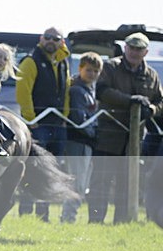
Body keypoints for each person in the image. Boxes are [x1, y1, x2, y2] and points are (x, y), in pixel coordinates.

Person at [88, 32, 163, 224]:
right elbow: (102, 92)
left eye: (139, 49)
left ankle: (122, 222)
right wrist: (130, 101)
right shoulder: (111, 67)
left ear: (145, 52)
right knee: (101, 180)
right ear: (125, 48)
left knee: (128, 183)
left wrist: (152, 109)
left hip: (135, 140)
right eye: (131, 48)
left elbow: (160, 100)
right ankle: (95, 221)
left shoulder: (152, 75)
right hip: (109, 135)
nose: (134, 52)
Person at [16, 27, 71, 221]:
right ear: (41, 39)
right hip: (37, 125)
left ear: (61, 42)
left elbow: (66, 91)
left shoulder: (63, 62)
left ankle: (43, 214)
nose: (51, 41)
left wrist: (64, 118)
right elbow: (23, 92)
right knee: (32, 168)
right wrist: (31, 120)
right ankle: (25, 211)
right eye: (47, 37)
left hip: (57, 125)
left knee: (51, 169)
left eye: (56, 38)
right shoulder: (31, 61)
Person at [61, 52, 102, 223]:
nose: (91, 74)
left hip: (85, 142)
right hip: (77, 140)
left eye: (95, 71)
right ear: (80, 68)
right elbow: (78, 119)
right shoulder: (77, 90)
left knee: (82, 182)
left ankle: (69, 217)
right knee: (77, 183)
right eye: (88, 70)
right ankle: (68, 218)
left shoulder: (89, 89)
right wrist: (95, 133)